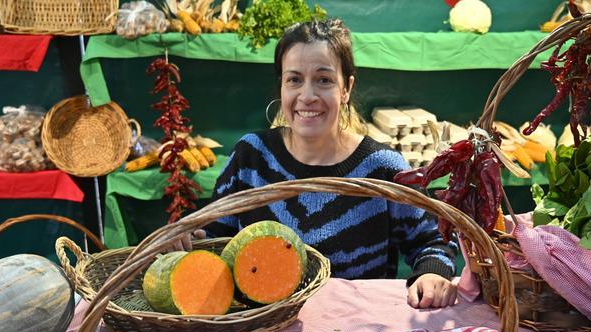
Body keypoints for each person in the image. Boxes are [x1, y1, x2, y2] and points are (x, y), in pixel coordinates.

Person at [187, 18, 459, 308]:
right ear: (281, 86)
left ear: (346, 89)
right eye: (294, 79)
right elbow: (212, 239)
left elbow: (433, 241)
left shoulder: (382, 168)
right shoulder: (251, 156)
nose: (307, 96)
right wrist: (187, 240)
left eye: (324, 80)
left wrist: (433, 273)